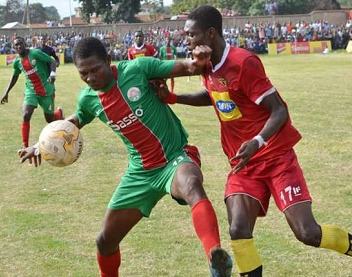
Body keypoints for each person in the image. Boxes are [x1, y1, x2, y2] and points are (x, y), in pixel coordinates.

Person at [156, 5, 352, 277]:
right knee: (238, 229)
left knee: (307, 232)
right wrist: (173, 98)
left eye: (191, 35)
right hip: (244, 165)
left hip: (276, 158)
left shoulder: (244, 63)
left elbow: (278, 109)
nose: (187, 41)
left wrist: (257, 141)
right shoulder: (205, 65)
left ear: (210, 34)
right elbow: (216, 96)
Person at [19, 37, 232, 277]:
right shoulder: (89, 98)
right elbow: (76, 120)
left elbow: (187, 67)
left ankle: (216, 258)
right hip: (139, 172)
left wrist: (198, 60)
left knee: (192, 184)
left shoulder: (138, 69)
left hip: (174, 157)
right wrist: (40, 144)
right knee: (105, 241)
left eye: (95, 70)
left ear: (108, 61)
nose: (90, 78)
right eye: (83, 73)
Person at [0, 37, 64, 150]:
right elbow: (15, 76)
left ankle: (59, 114)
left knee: (49, 120)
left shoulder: (36, 53)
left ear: (25, 44)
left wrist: (52, 74)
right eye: (16, 45)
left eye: (20, 43)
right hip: (31, 91)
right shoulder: (17, 62)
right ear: (14, 48)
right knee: (26, 115)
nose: (19, 46)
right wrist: (7, 92)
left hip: (46, 90)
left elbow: (52, 61)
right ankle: (25, 146)